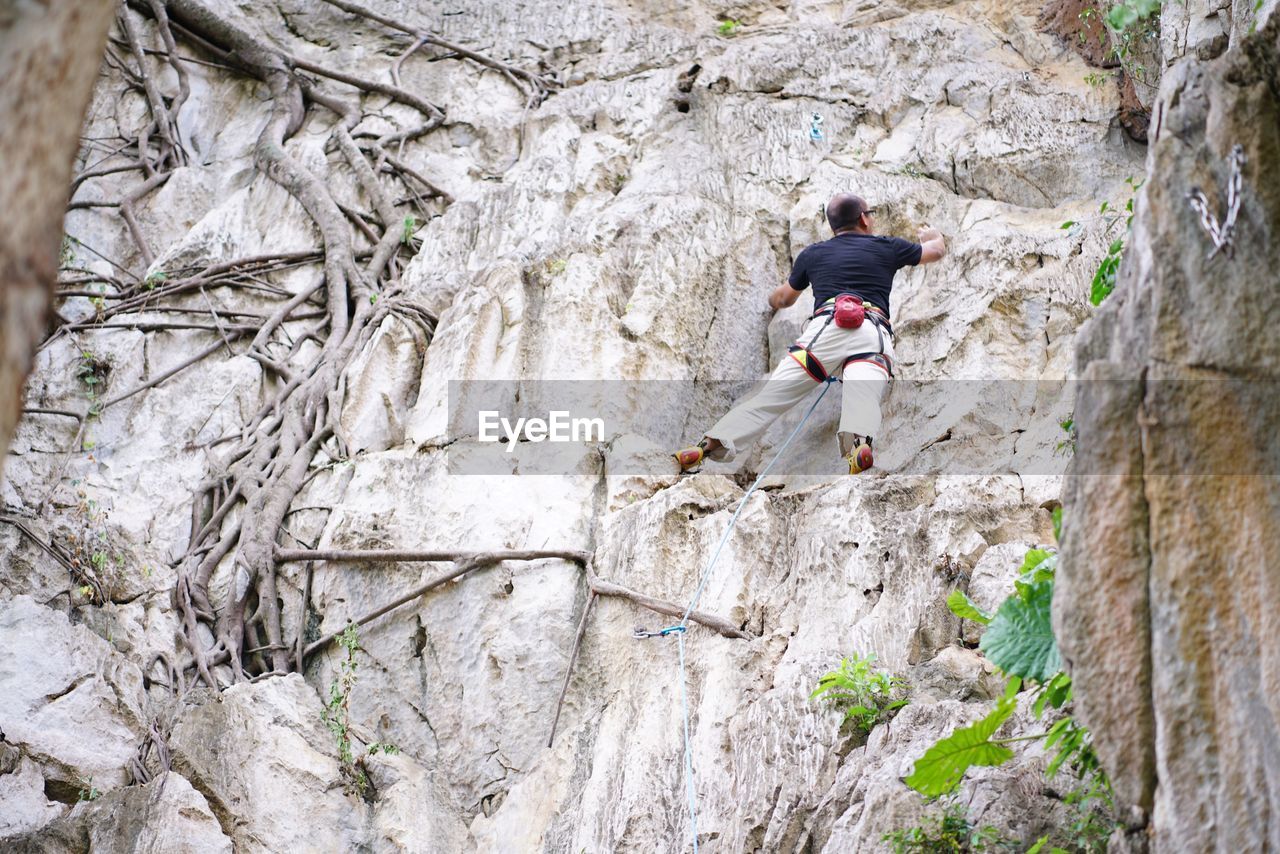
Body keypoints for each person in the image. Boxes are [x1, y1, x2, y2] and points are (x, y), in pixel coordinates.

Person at [674, 193, 946, 474]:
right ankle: (859, 445)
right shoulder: (887, 247)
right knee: (862, 394)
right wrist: (933, 236)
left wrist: (770, 300)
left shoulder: (814, 254)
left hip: (824, 331)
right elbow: (935, 252)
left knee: (770, 398)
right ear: (864, 218)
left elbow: (784, 298)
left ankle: (708, 445)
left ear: (833, 226)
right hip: (870, 331)